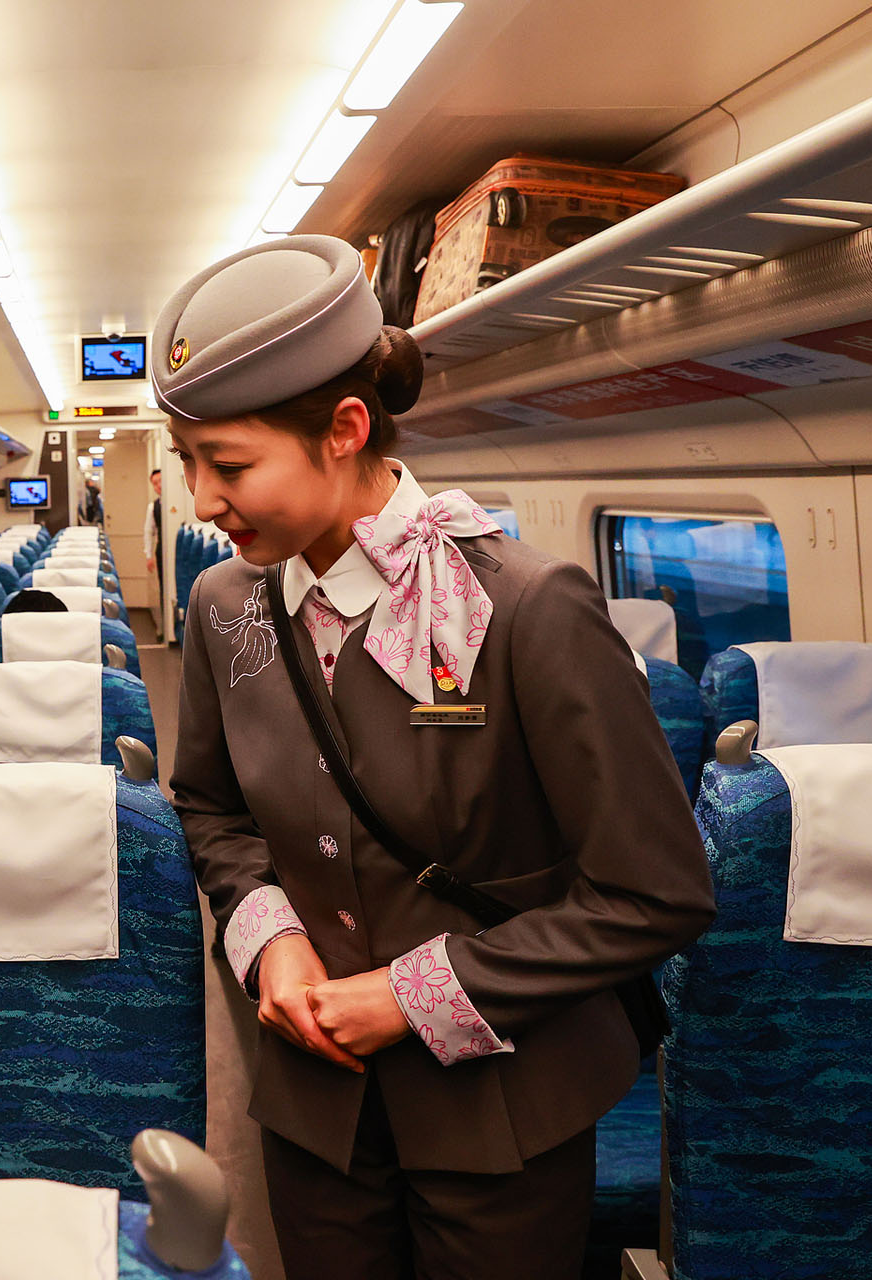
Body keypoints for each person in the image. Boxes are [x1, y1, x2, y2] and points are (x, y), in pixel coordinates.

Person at [153, 235, 715, 1280]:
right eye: (188, 462)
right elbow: (208, 804)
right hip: (314, 1101)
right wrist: (272, 939)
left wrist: (411, 993)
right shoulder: (223, 604)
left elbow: (655, 893)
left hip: (503, 1105)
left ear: (345, 430)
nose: (199, 499)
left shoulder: (527, 608)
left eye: (226, 464)